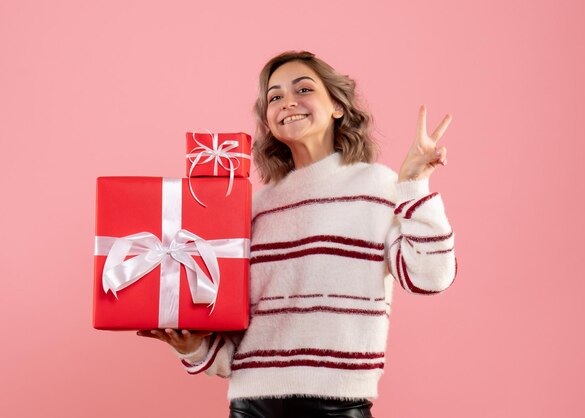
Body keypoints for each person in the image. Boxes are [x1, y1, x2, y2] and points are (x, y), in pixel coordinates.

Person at [138, 50, 457, 418]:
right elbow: (236, 351)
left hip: (336, 409)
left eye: (303, 89)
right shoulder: (254, 209)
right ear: (268, 119)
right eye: (274, 97)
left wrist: (415, 183)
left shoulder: (378, 186)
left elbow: (430, 278)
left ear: (338, 105)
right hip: (251, 408)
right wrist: (193, 346)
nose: (288, 102)